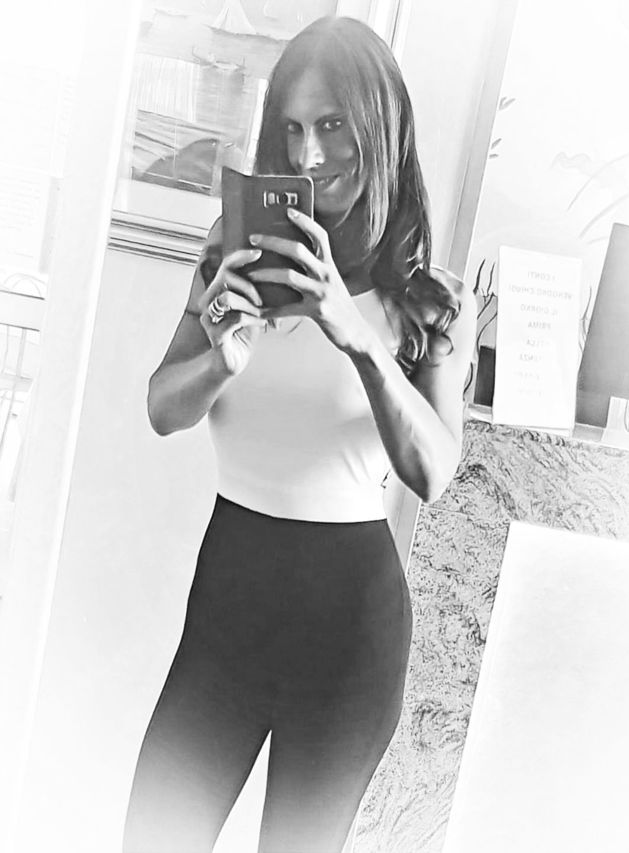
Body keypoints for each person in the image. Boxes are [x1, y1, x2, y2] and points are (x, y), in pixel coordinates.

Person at [123, 15, 476, 853]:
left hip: (349, 630)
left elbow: (433, 472)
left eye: (332, 125)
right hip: (229, 599)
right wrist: (221, 358)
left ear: (380, 130)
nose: (309, 154)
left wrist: (355, 334)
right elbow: (163, 408)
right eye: (291, 128)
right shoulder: (233, 249)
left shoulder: (430, 301)